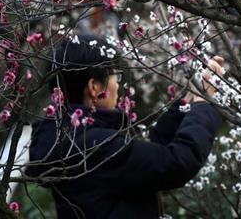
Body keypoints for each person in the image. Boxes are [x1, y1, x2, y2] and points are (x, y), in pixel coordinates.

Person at [26, 34, 224, 218]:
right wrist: (204, 105)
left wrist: (187, 103)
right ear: (94, 87)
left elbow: (148, 153)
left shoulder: (70, 139)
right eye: (115, 76)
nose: (118, 84)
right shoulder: (94, 146)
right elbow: (175, 163)